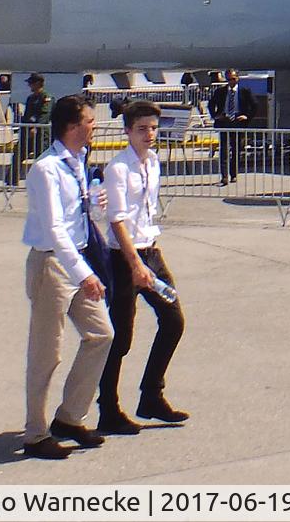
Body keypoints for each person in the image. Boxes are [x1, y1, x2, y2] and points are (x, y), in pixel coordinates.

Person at [20, 94, 113, 459]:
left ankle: (70, 417)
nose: (95, 126)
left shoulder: (78, 161)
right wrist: (84, 274)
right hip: (53, 265)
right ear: (73, 125)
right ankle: (35, 433)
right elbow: (54, 229)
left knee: (101, 334)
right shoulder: (46, 168)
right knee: (47, 353)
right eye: (90, 121)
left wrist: (95, 206)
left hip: (76, 258)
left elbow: (77, 218)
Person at [97, 100, 188, 433]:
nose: (149, 135)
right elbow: (116, 219)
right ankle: (108, 408)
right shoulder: (117, 168)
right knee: (120, 338)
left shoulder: (153, 162)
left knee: (173, 320)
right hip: (124, 257)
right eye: (142, 129)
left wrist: (148, 257)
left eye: (153, 128)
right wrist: (135, 264)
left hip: (150, 250)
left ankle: (151, 395)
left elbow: (144, 213)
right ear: (127, 131)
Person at [207, 69, 255, 184]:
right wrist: (215, 116)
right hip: (224, 122)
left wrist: (246, 116)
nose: (231, 82)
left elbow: (254, 105)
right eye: (229, 79)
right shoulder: (220, 91)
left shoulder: (244, 91)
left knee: (236, 150)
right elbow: (211, 104)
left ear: (237, 79)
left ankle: (233, 174)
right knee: (224, 150)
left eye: (233, 79)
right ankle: (224, 176)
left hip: (238, 123)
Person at [9, 75, 51, 188]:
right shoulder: (30, 98)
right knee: (18, 155)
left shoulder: (46, 98)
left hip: (40, 134)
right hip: (27, 133)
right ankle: (11, 181)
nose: (29, 85)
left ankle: (42, 183)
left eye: (31, 83)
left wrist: (36, 127)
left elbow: (44, 115)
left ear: (38, 83)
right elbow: (28, 115)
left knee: (41, 159)